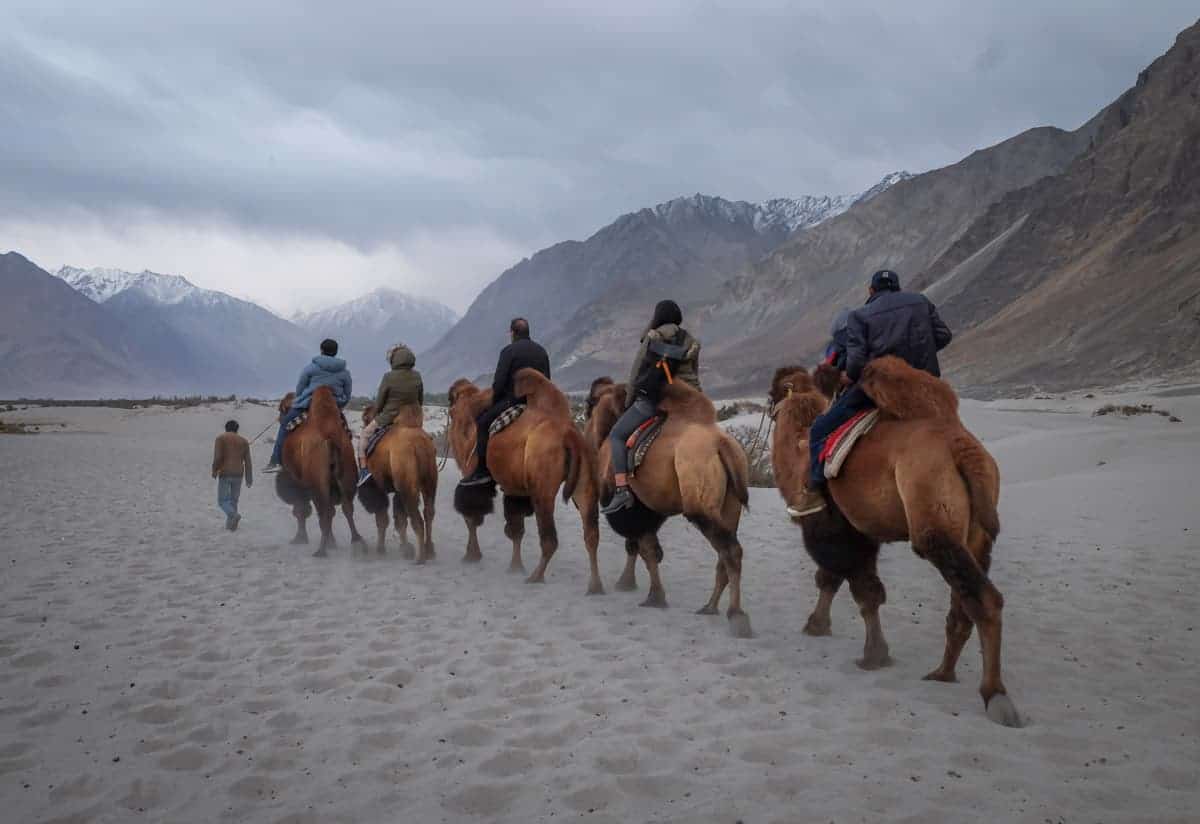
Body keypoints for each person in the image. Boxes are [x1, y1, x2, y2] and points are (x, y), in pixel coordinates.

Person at [788, 269, 952, 517]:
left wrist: (847, 376)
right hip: (925, 386)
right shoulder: (921, 302)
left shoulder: (859, 316)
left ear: (871, 291)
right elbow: (944, 336)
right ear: (897, 287)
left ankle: (814, 493)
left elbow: (855, 364)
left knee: (821, 428)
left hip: (880, 390)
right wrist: (922, 353)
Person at [601, 299, 701, 514]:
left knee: (617, 435)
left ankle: (621, 490)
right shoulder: (691, 341)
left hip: (655, 402)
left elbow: (636, 373)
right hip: (689, 403)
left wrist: (629, 403)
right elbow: (695, 374)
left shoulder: (653, 337)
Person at [459, 318, 551, 486]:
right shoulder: (542, 351)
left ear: (512, 333)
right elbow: (547, 381)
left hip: (513, 402)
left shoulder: (508, 352)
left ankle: (482, 471)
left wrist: (494, 401)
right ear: (528, 332)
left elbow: (499, 383)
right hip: (538, 406)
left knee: (482, 423)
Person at [263, 338, 353, 473]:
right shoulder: (345, 372)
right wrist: (338, 405)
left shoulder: (311, 368)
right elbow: (347, 393)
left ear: (321, 351)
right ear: (336, 352)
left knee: (285, 425)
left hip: (308, 405)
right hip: (333, 406)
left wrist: (300, 400)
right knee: (346, 432)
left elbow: (300, 388)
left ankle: (276, 461)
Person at [356, 343, 424, 486]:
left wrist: (377, 413)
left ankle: (363, 471)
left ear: (394, 360)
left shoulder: (388, 377)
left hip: (389, 417)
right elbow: (420, 399)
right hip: (412, 418)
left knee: (364, 436)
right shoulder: (417, 376)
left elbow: (380, 401)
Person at [212, 419, 252, 530]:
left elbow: (218, 457)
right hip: (239, 474)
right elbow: (248, 462)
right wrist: (249, 479)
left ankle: (233, 516)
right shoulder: (244, 441)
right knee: (233, 501)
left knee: (222, 501)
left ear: (226, 428)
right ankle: (231, 526)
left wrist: (214, 470)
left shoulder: (221, 438)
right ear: (237, 429)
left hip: (225, 473)